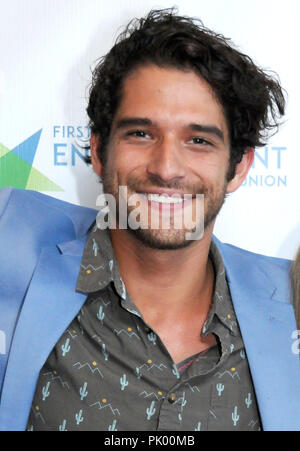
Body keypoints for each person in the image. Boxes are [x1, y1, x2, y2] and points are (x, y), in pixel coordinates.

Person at [0, 8, 299, 432]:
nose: (166, 167)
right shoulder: (12, 240)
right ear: (100, 151)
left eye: (198, 140)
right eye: (141, 133)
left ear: (238, 167)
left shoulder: (292, 303)